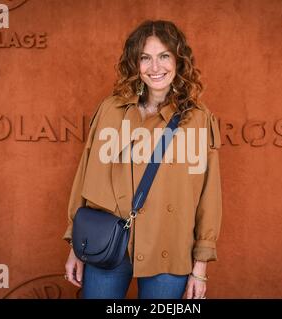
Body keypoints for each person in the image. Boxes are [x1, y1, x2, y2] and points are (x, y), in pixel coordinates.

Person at [63, 20, 222, 299]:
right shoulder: (111, 109)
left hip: (168, 247)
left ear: (178, 60)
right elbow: (86, 176)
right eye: (145, 58)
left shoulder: (198, 118)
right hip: (109, 243)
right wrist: (77, 245)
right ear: (134, 63)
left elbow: (209, 194)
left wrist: (200, 266)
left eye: (164, 56)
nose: (155, 67)